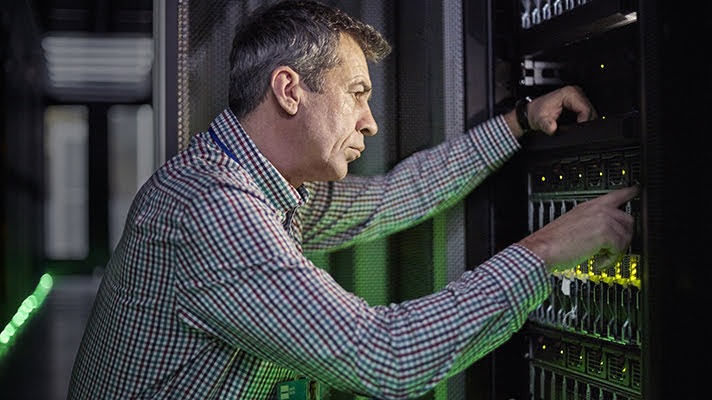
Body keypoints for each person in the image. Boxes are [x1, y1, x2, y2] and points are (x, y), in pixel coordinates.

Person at [67, 1, 637, 399]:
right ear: (290, 91)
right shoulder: (213, 207)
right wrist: (548, 249)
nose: (370, 120)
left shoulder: (258, 185)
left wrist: (518, 122)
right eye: (356, 94)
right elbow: (389, 358)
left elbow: (395, 196)